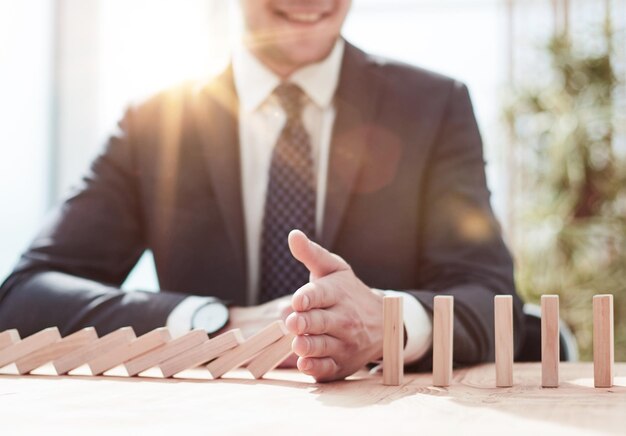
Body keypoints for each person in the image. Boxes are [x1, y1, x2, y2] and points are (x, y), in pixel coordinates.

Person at [0, 0, 525, 382]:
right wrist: (211, 322)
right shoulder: (155, 124)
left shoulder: (433, 108)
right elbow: (23, 298)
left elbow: (488, 293)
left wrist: (381, 323)